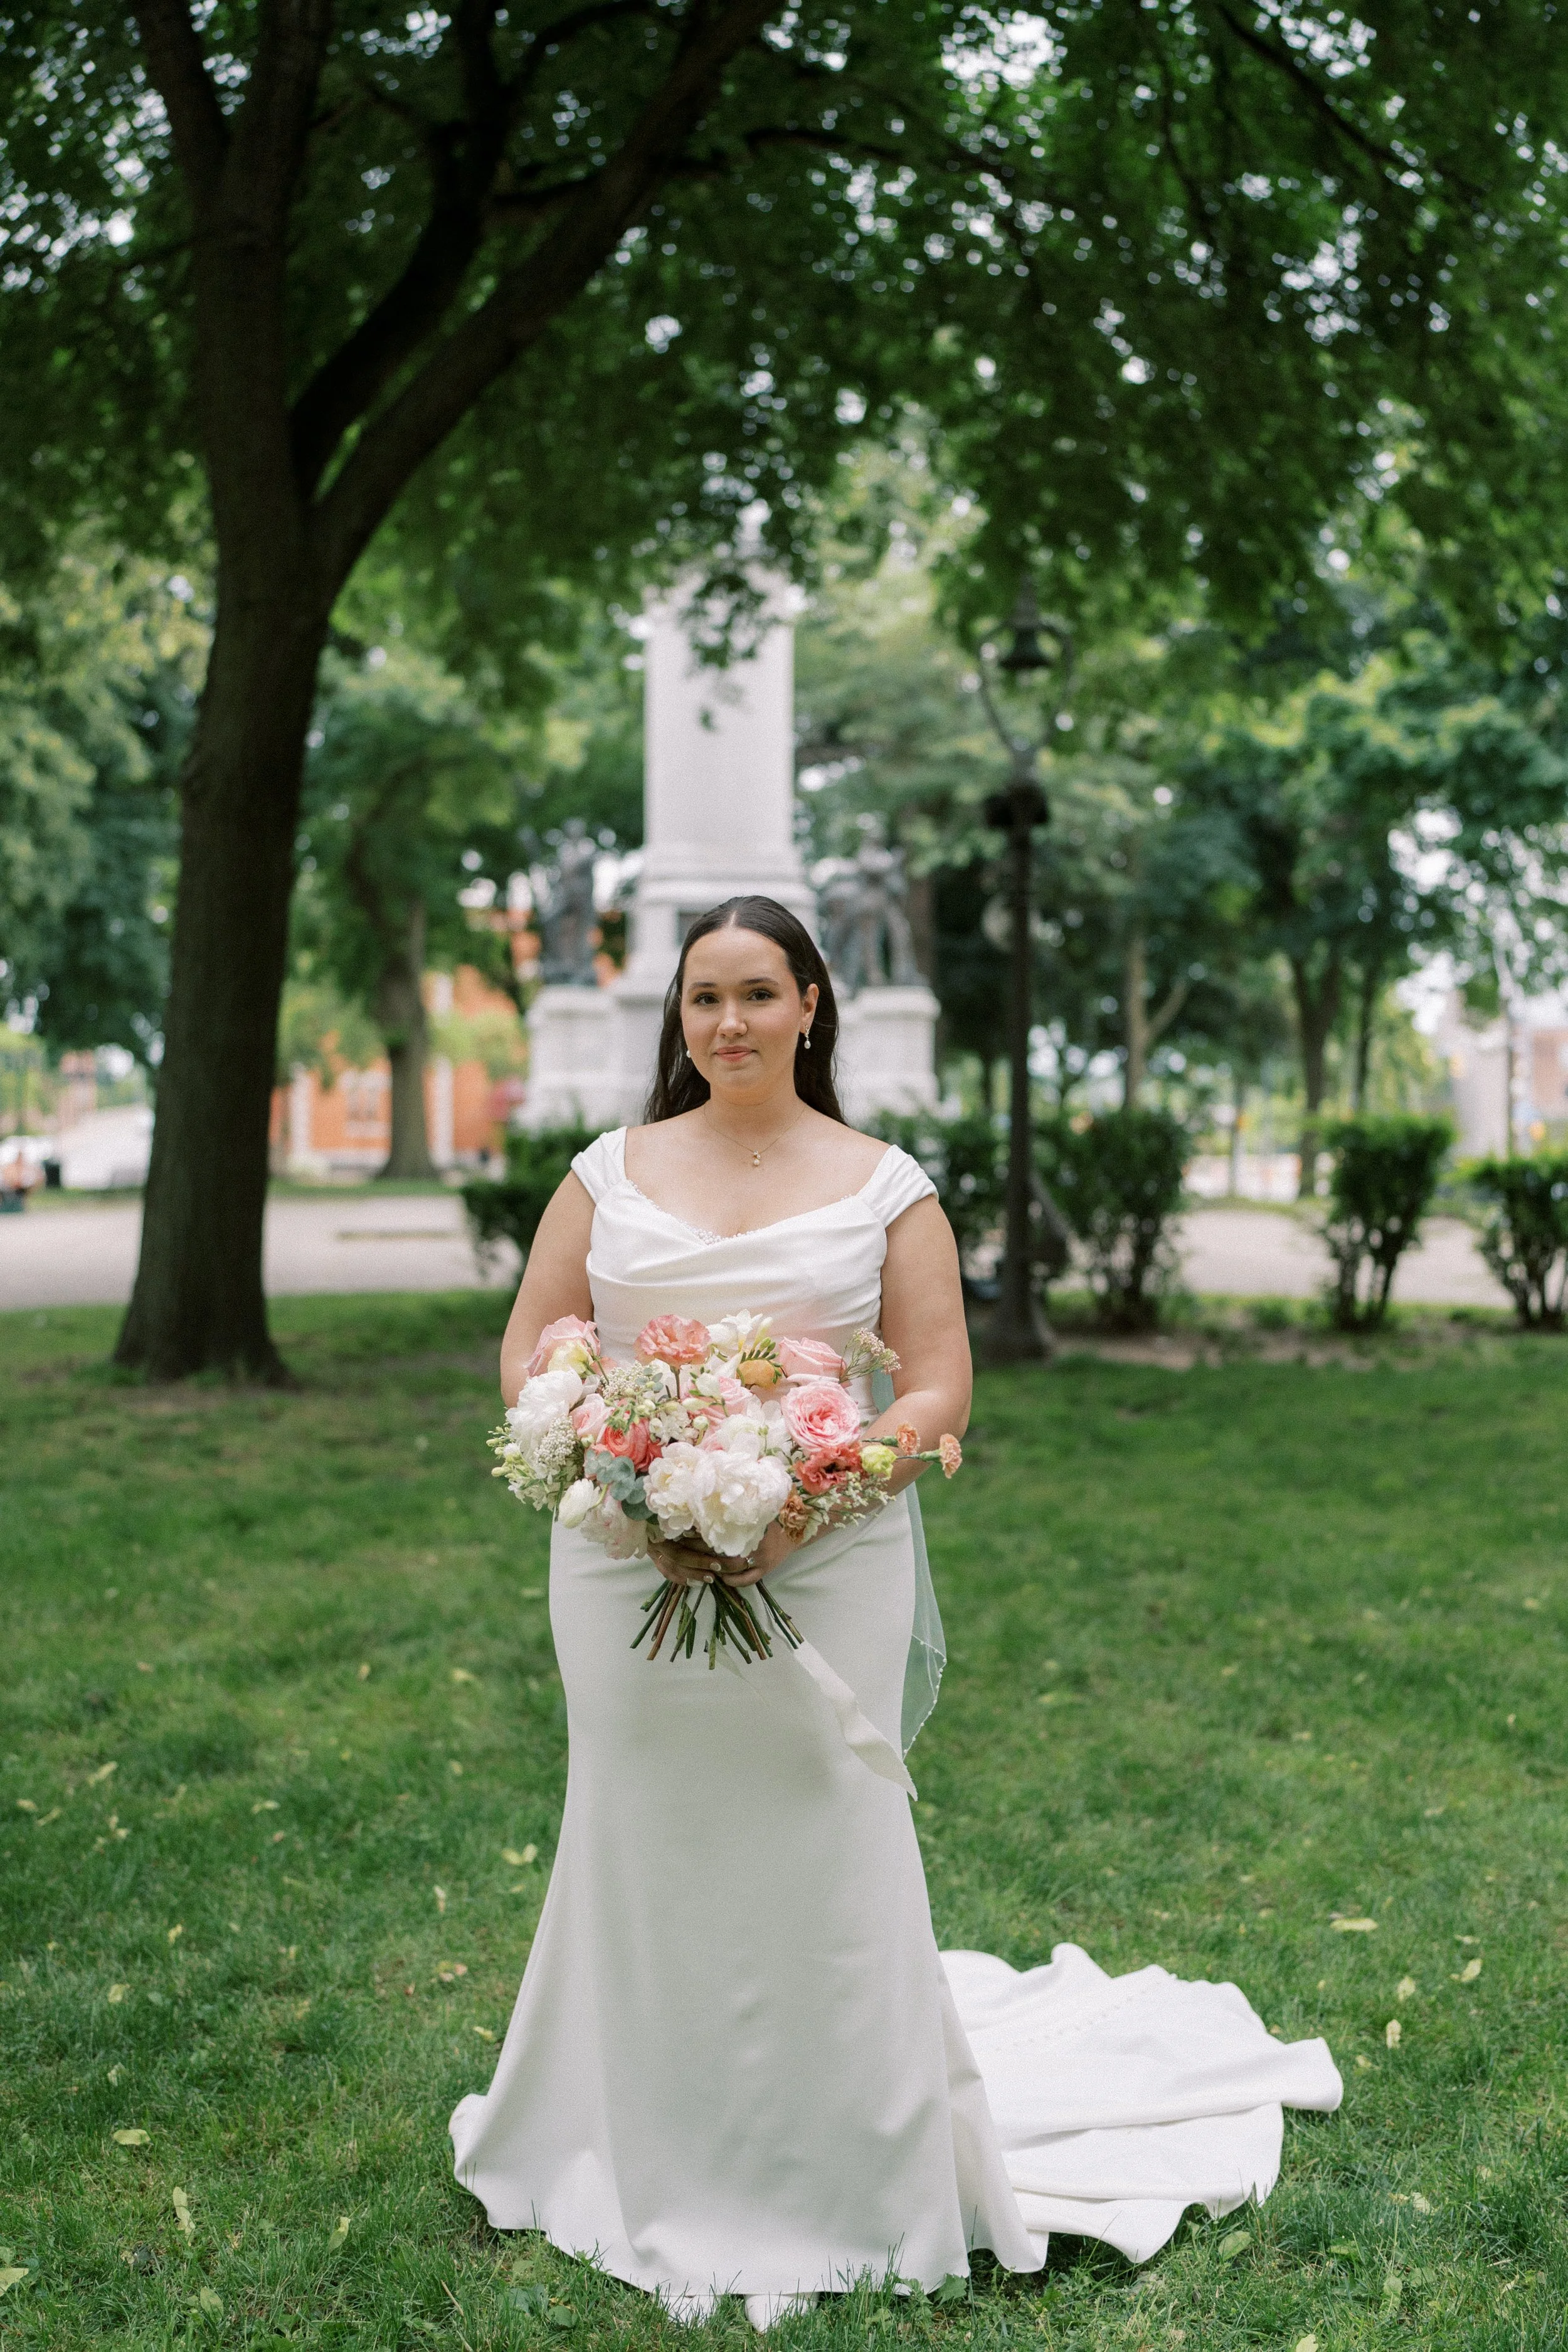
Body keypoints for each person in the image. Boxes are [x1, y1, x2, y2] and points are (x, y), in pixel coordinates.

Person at [450, 895, 1340, 2328]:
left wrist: (803, 1491)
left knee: (817, 1822)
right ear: (677, 1022)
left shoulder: (883, 1184)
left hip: (828, 1550)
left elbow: (935, 1391)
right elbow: (533, 1348)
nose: (726, 1023)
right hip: (618, 1559)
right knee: (641, 1825)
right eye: (700, 1001)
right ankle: (624, 2135)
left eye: (754, 993)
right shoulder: (604, 1173)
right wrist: (625, 1486)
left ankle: (841, 2166)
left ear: (811, 1003)